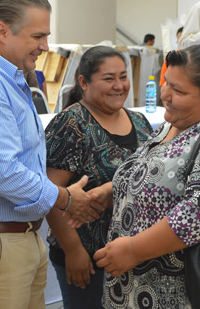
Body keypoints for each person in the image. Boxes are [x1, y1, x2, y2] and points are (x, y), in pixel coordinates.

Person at [0, 0, 102, 309]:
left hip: (20, 239)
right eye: (37, 36)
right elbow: (1, 174)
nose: (45, 46)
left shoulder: (10, 79)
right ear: (3, 31)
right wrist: (64, 198)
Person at [93, 44, 200, 308]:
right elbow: (148, 174)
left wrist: (133, 249)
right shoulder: (173, 124)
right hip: (131, 288)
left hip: (174, 294)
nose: (164, 94)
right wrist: (110, 192)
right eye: (166, 82)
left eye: (177, 90)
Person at [45, 46, 153, 309]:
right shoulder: (71, 124)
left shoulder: (139, 122)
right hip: (88, 259)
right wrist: (73, 251)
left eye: (123, 76)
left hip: (134, 254)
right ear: (83, 82)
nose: (119, 86)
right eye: (108, 79)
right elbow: (49, 192)